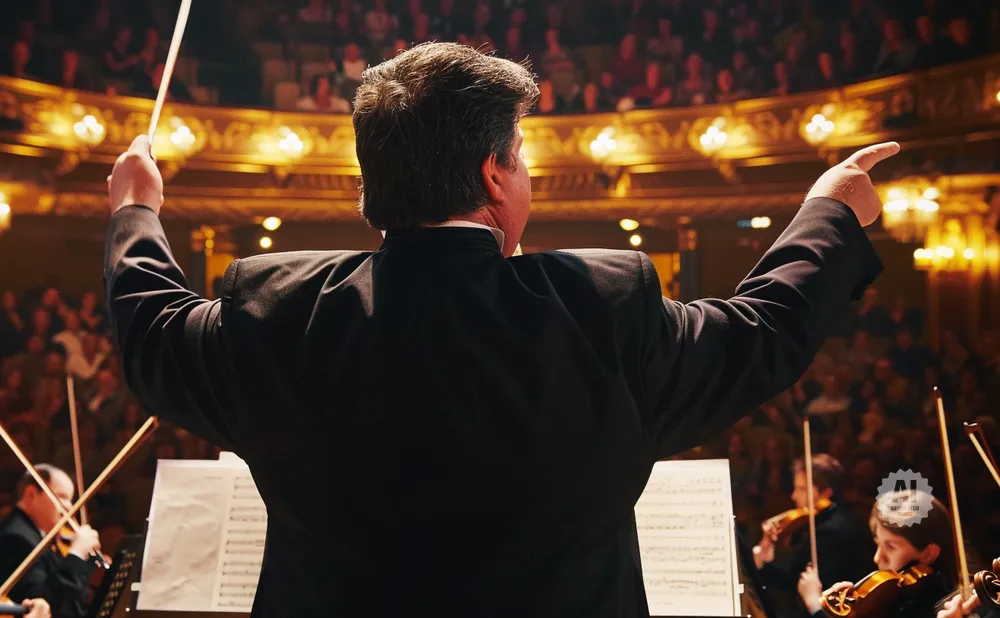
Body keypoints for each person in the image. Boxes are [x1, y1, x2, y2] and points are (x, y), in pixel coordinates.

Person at [103, 42, 893, 617]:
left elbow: (150, 329)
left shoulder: (273, 308)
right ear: (492, 174)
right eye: (521, 158)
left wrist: (136, 208)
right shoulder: (602, 306)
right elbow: (764, 329)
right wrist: (831, 212)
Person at [800, 490, 957, 618]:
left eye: (890, 547)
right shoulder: (896, 600)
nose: (877, 558)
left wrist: (815, 606)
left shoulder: (943, 609)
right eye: (878, 544)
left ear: (929, 554)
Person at [753, 454, 873, 616]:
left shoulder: (830, 532)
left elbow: (795, 581)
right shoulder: (831, 520)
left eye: (802, 489)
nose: (794, 496)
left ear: (826, 492)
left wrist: (760, 564)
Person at [0, 465, 101, 618]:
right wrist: (77, 554)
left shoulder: (40, 535)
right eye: (62, 497)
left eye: (70, 499)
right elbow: (48, 605)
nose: (69, 507)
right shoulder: (16, 538)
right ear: (31, 494)